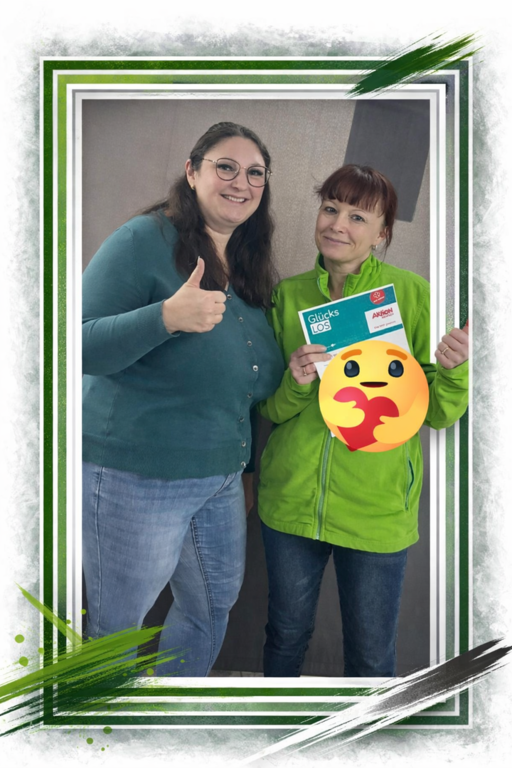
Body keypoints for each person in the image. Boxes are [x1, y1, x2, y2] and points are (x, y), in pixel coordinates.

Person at [82, 122, 284, 676]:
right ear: (192, 172)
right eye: (226, 167)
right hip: (136, 476)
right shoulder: (143, 240)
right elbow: (71, 345)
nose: (241, 182)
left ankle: (170, 710)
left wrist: (245, 470)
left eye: (255, 173)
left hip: (219, 479)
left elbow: (245, 385)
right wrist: (165, 318)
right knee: (116, 631)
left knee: (210, 607)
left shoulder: (248, 265)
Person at [257, 164, 469, 678]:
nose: (338, 224)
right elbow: (269, 410)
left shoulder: (410, 294)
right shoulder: (288, 296)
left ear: (381, 234)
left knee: (372, 656)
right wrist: (296, 382)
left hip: (376, 510)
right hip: (291, 502)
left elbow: (438, 412)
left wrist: (454, 371)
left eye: (358, 216)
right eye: (330, 208)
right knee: (284, 636)